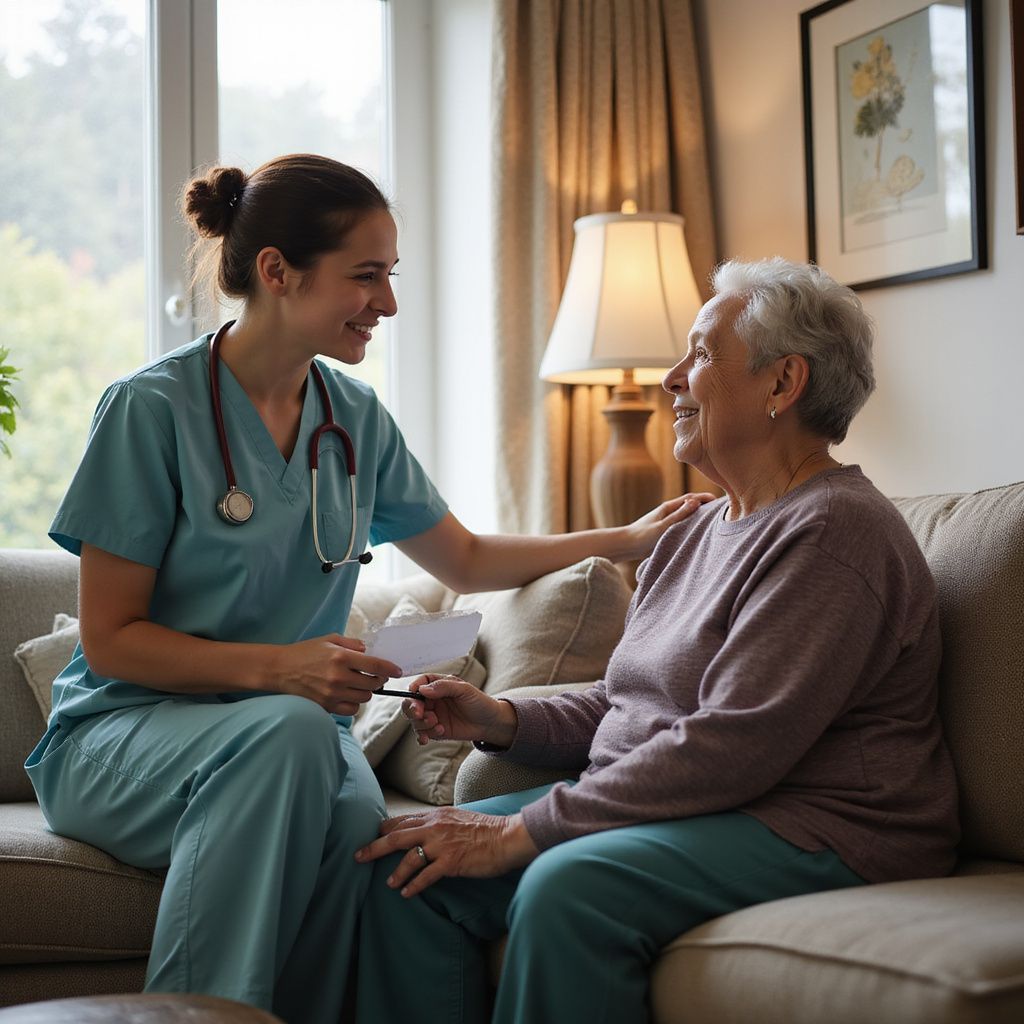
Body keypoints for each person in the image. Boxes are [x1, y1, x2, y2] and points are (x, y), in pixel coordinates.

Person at [22, 154, 702, 1024]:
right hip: (123, 738)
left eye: (390, 277)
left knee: (384, 848)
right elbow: (112, 640)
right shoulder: (149, 411)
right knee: (290, 737)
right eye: (366, 277)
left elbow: (463, 558)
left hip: (294, 738)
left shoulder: (353, 417)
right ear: (277, 272)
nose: (386, 304)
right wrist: (283, 671)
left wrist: (629, 537)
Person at [352, 257, 960, 1024]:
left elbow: (736, 741)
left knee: (567, 885)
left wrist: (522, 831)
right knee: (407, 861)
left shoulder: (835, 531)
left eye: (702, 353)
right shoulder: (695, 527)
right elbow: (628, 702)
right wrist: (502, 719)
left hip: (821, 823)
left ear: (783, 384)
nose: (672, 377)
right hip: (712, 804)